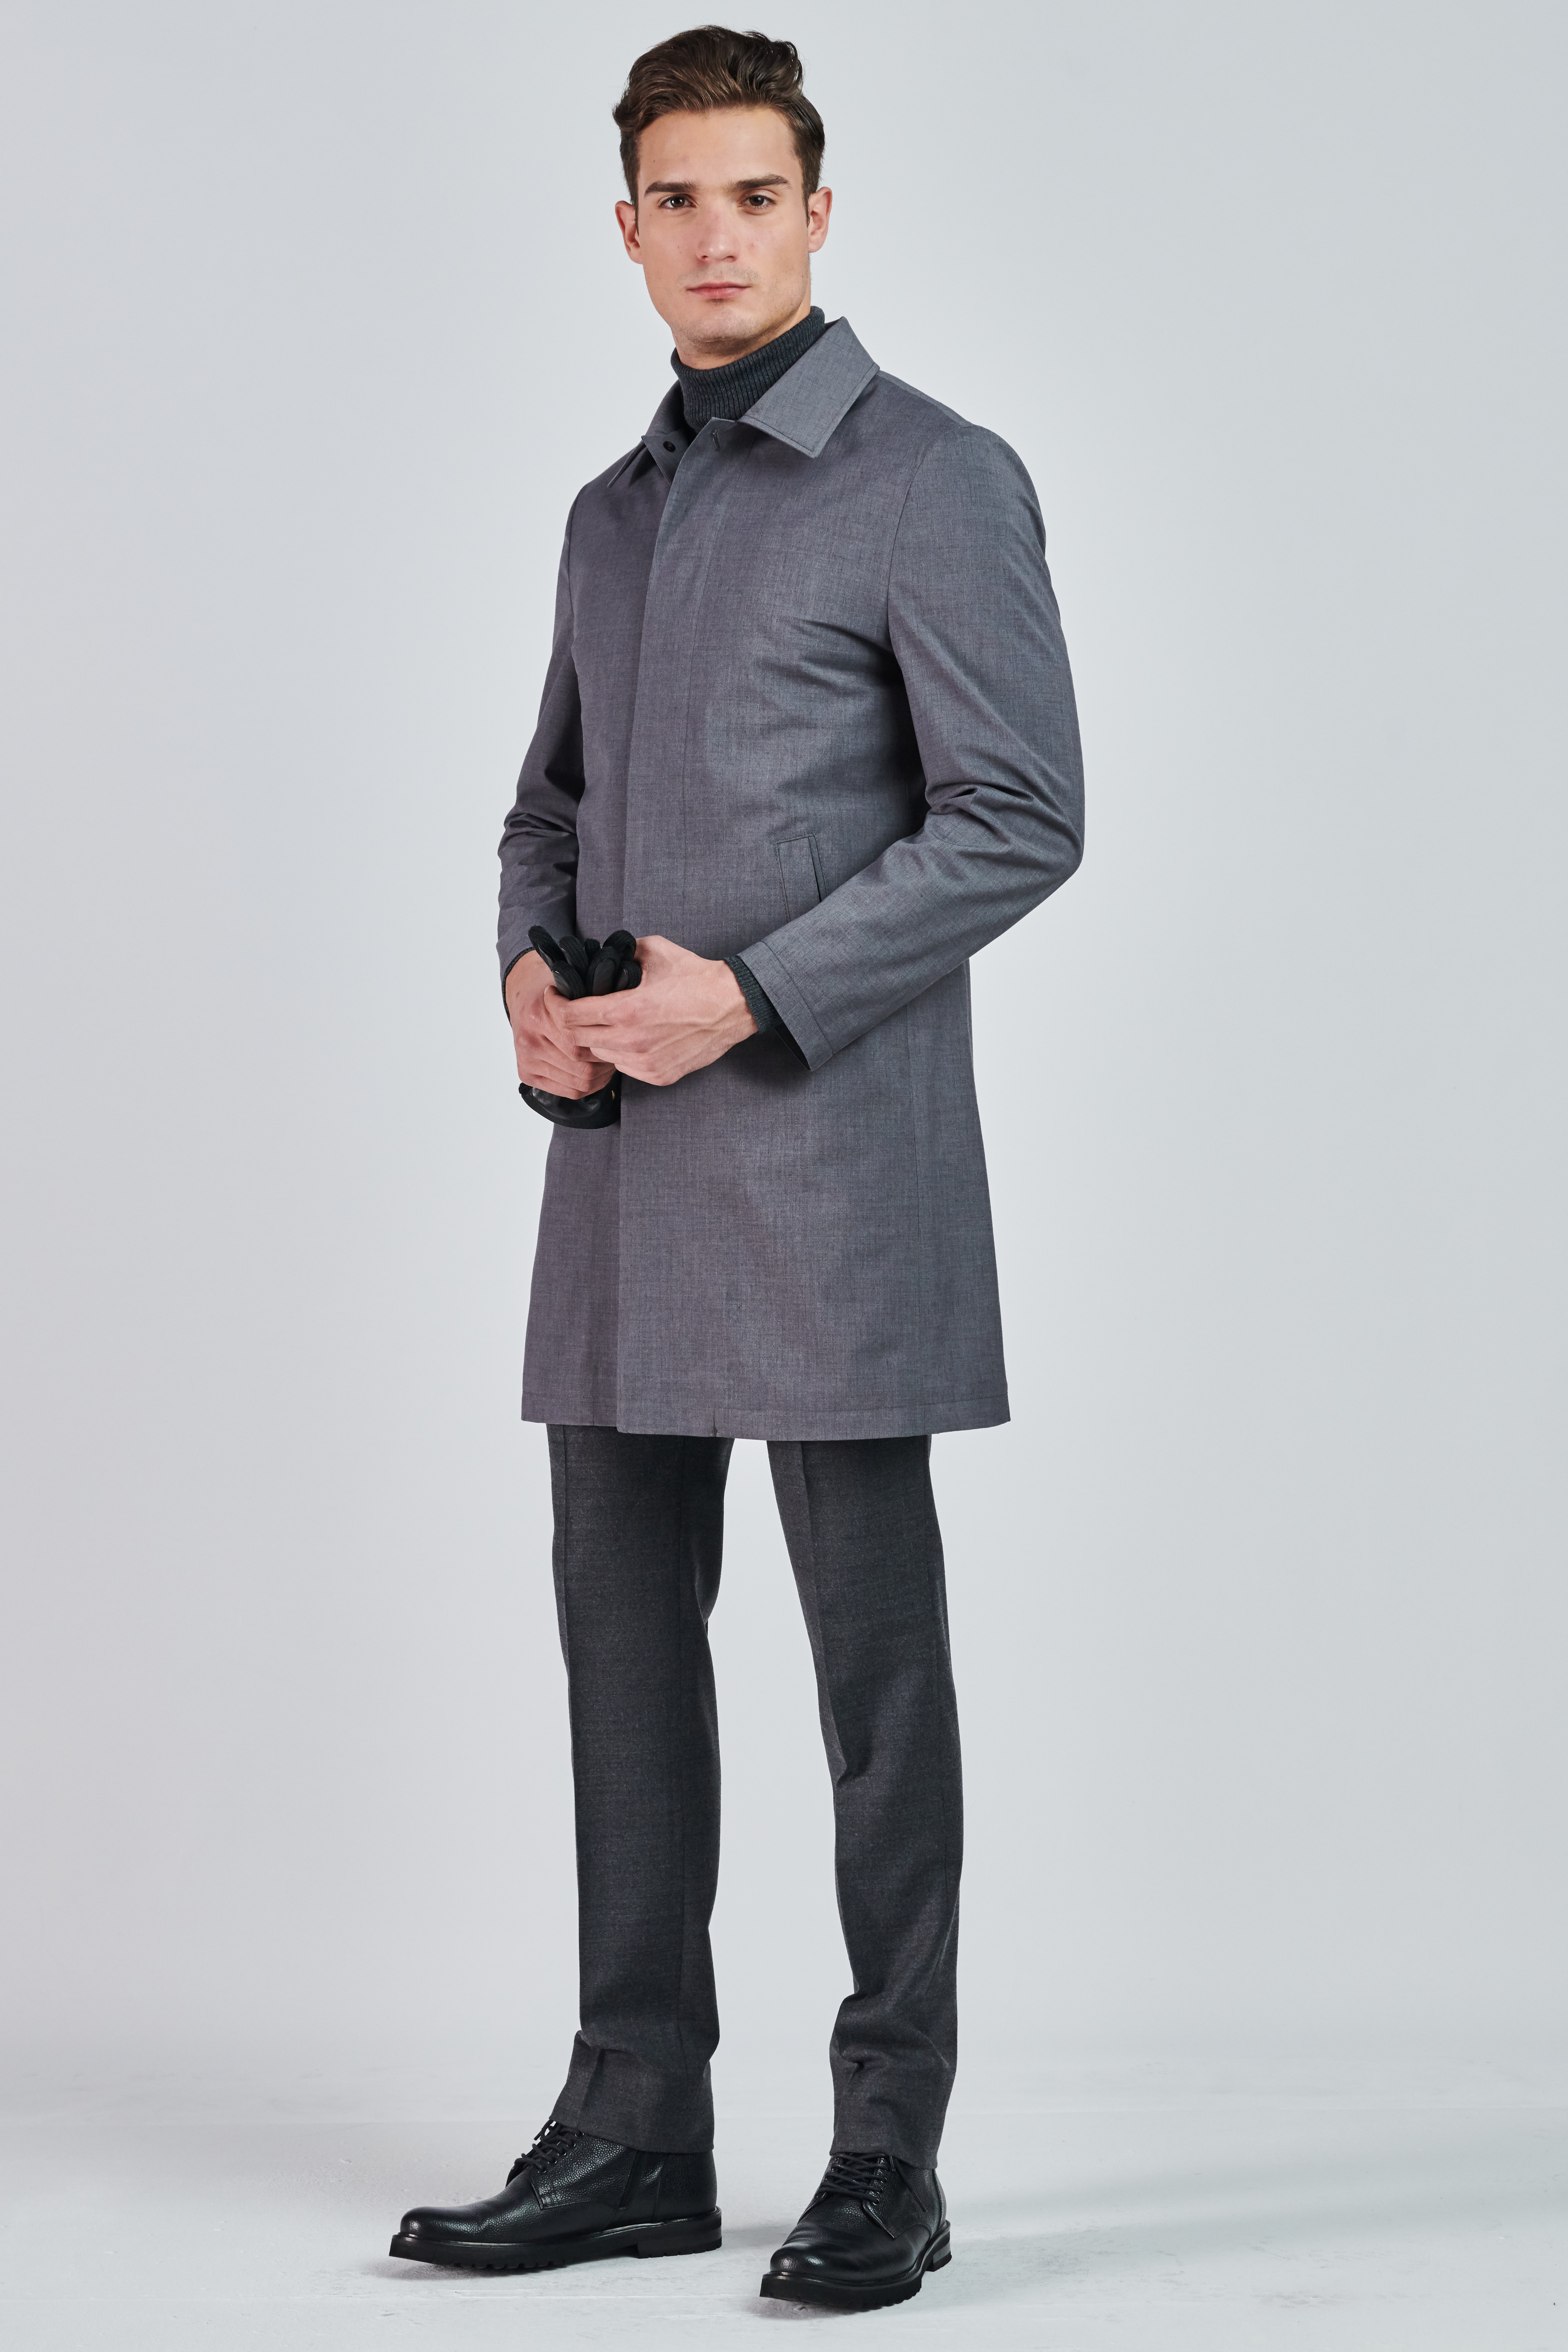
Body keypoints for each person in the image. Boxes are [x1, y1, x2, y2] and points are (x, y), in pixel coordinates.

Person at [389, 24, 1083, 2315]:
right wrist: (529, 970)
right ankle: (633, 2125)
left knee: (873, 1676)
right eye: (674, 201)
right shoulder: (612, 510)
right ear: (626, 229)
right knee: (620, 1652)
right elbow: (549, 805)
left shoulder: (932, 475)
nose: (715, 237)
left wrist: (755, 994)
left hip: (831, 1162)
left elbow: (1018, 815)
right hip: (620, 1169)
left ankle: (887, 2148)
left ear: (816, 213)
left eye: (752, 196)